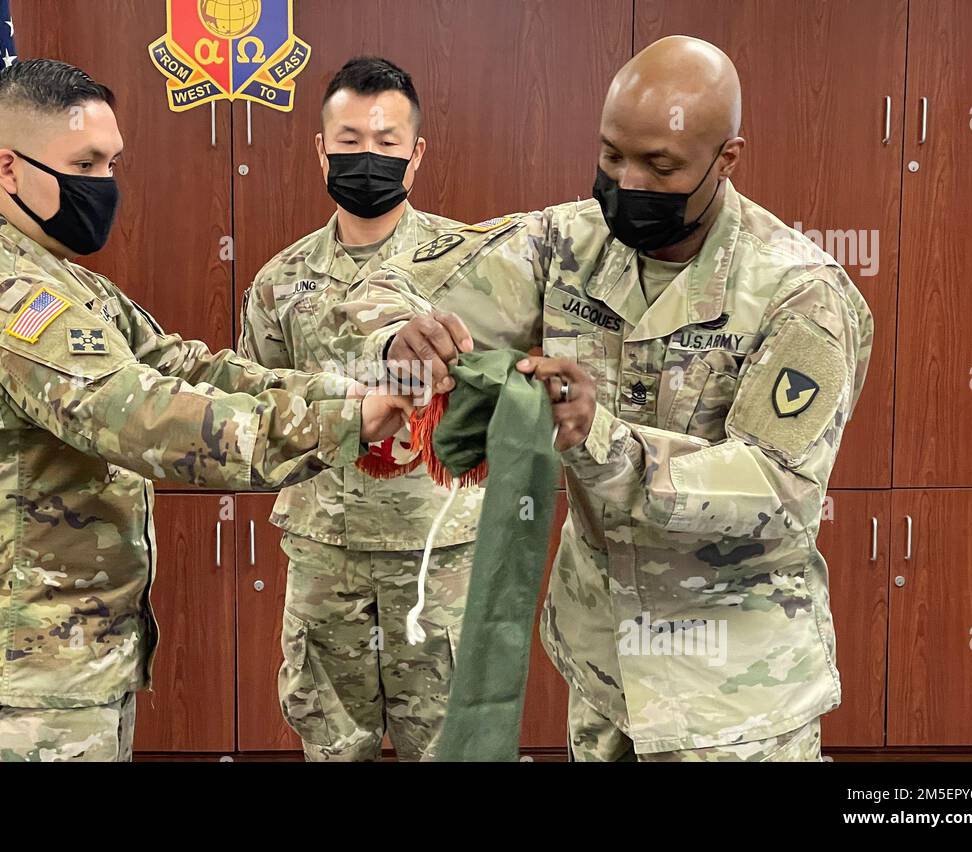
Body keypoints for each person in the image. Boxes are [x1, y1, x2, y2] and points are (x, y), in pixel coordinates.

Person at [334, 36, 874, 761]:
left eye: (660, 166)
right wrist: (403, 335)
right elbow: (389, 278)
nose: (627, 181)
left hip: (733, 700)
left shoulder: (798, 294)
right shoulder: (566, 244)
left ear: (727, 159)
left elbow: (777, 498)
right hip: (602, 669)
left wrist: (602, 439)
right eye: (612, 154)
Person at [0, 59, 411, 762]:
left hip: (66, 668)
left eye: (112, 162)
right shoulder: (10, 302)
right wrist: (342, 425)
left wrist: (348, 396)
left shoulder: (65, 281)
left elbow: (187, 366)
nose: (105, 184)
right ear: (8, 169)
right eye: (85, 163)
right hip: (15, 687)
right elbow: (145, 418)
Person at [237, 56, 476, 762]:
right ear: (320, 150)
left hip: (437, 551)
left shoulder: (469, 265)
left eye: (385, 143)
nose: (366, 158)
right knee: (332, 745)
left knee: (447, 744)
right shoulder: (279, 282)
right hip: (325, 551)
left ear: (416, 154)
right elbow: (260, 411)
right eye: (347, 143)